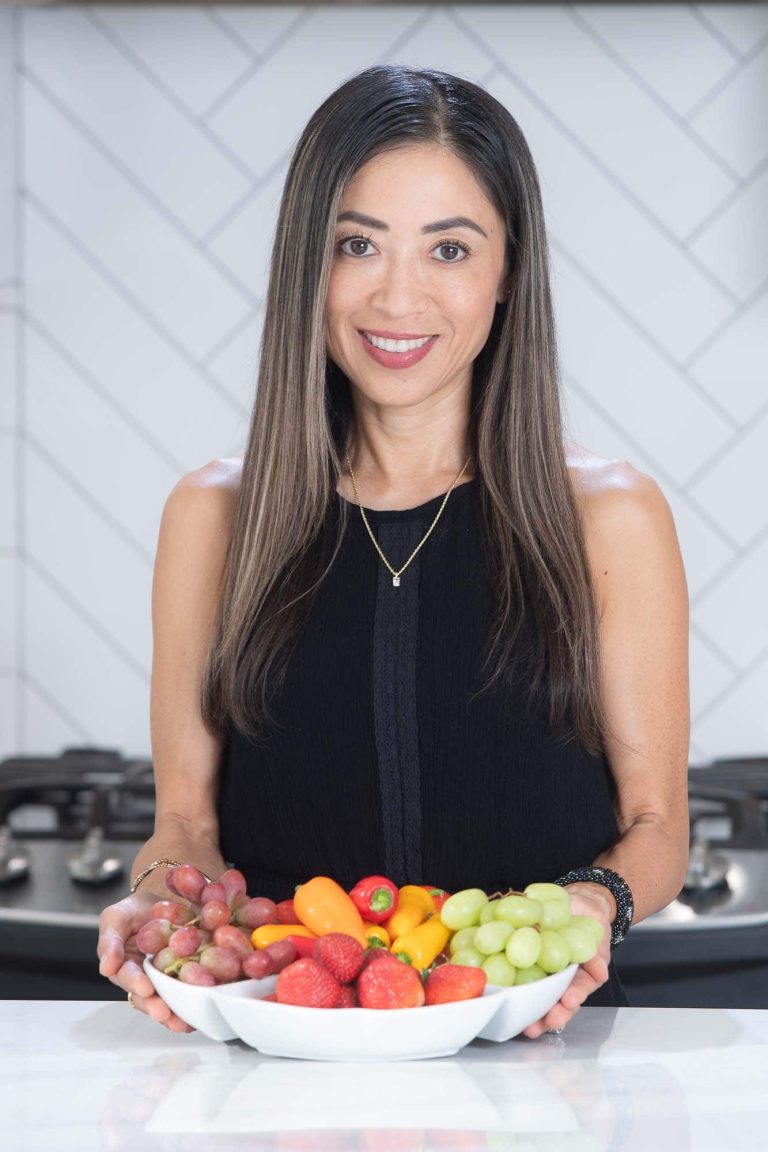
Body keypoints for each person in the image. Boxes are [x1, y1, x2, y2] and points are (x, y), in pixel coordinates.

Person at [97, 65, 690, 1037]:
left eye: (449, 249)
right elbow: (187, 824)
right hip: (280, 1045)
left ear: (508, 273)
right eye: (357, 244)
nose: (399, 296)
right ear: (308, 265)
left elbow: (659, 828)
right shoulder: (214, 513)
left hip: (542, 1054)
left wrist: (590, 904)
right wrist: (168, 901)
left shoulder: (610, 515)